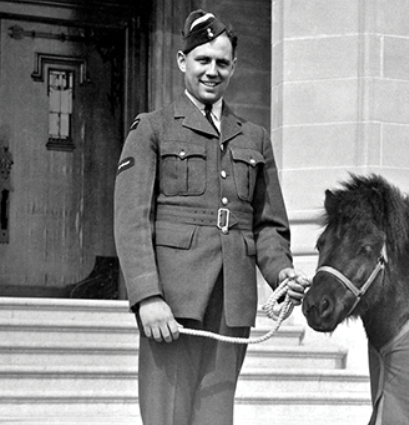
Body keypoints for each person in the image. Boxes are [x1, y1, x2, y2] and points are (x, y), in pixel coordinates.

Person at [113, 9, 309, 424]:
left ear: (234, 67)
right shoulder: (152, 129)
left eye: (222, 63)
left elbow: (268, 226)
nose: (212, 71)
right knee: (167, 418)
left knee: (215, 419)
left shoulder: (254, 137)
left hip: (232, 306)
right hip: (173, 304)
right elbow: (132, 222)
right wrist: (147, 298)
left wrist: (283, 274)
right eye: (203, 60)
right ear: (183, 61)